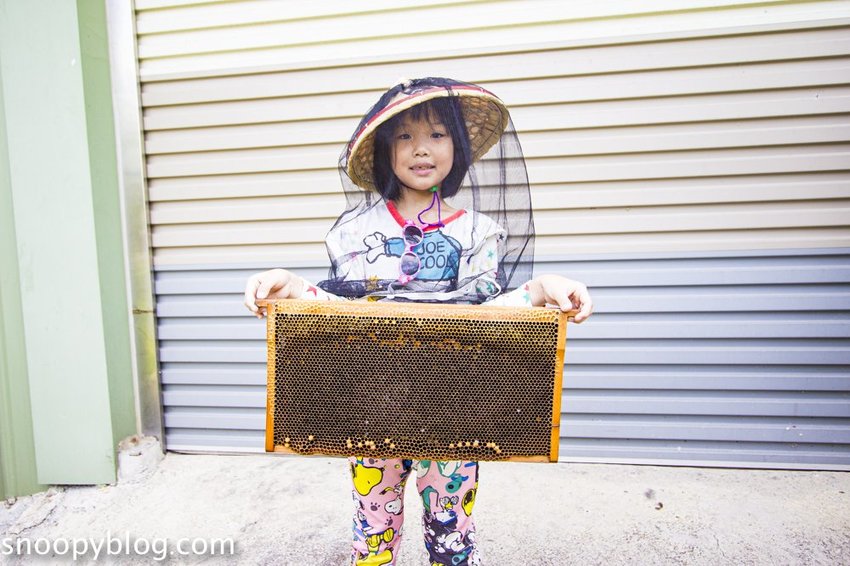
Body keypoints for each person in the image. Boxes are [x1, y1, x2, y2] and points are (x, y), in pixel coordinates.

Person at [244, 78, 592, 566]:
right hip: (372, 405)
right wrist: (290, 285)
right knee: (372, 533)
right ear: (386, 151)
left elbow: (489, 313)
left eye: (436, 134)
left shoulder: (479, 233)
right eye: (404, 136)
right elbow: (341, 309)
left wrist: (543, 288)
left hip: (454, 411)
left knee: (452, 537)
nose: (421, 149)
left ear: (458, 147)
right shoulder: (357, 233)